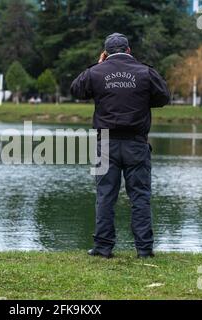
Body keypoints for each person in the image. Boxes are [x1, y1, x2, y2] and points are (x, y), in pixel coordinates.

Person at [70, 33, 170, 259]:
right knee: (140, 197)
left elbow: (76, 90)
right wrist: (142, 99)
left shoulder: (97, 72)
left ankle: (103, 248)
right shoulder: (145, 72)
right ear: (129, 50)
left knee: (105, 196)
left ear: (105, 53)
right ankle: (144, 249)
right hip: (136, 144)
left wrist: (98, 66)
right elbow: (164, 97)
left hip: (106, 143)